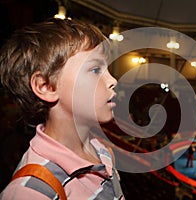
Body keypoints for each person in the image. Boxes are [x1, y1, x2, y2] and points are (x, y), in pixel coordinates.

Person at [0, 18, 124, 199]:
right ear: (46, 87)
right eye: (95, 69)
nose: (113, 81)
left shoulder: (102, 151)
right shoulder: (31, 192)